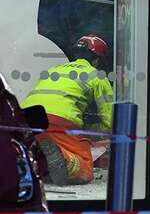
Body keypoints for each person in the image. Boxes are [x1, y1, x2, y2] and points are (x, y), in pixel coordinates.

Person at [21, 35, 113, 185]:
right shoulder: (97, 76)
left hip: (27, 118)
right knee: (85, 167)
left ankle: (37, 161)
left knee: (35, 155)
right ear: (97, 60)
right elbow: (110, 122)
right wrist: (88, 131)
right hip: (58, 120)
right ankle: (65, 159)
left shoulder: (54, 70)